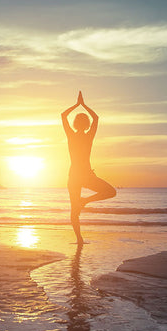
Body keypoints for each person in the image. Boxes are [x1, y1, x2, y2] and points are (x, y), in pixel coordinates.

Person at [61, 91, 116, 244]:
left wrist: (77, 105)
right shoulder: (89, 136)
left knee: (74, 211)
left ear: (75, 124)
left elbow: (63, 115)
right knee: (111, 192)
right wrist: (84, 105)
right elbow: (96, 118)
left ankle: (79, 239)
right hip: (85, 175)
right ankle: (85, 201)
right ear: (87, 124)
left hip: (75, 176)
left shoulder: (71, 135)